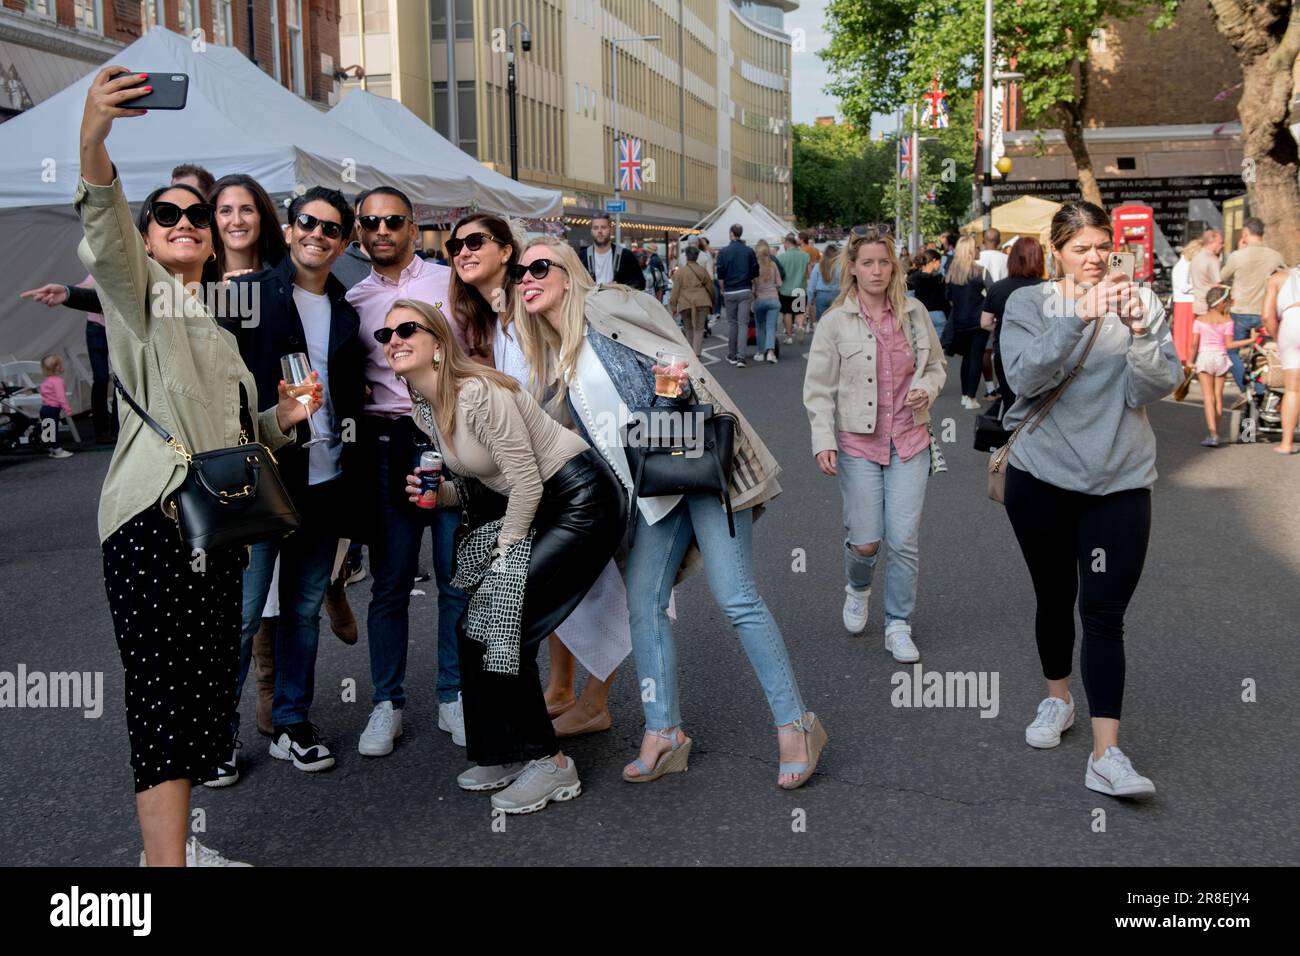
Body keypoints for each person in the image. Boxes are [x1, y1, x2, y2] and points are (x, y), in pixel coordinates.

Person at [78, 66, 320, 865]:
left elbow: (232, 436)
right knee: (159, 698)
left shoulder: (220, 332)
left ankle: (169, 854)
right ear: (148, 238)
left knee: (200, 698)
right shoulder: (137, 297)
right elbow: (105, 224)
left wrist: (278, 421)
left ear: (215, 243)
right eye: (167, 216)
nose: (184, 222)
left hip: (216, 530)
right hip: (151, 523)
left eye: (196, 218)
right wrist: (94, 135)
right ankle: (166, 869)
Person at [514, 238, 828, 790]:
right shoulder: (552, 357)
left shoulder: (610, 312)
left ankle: (797, 724)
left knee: (737, 598)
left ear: (569, 275)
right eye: (521, 273)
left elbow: (672, 361)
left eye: (541, 267)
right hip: (651, 497)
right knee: (644, 607)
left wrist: (668, 393)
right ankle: (664, 733)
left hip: (699, 471)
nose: (528, 278)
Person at [382, 298, 626, 813]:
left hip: (580, 500)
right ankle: (508, 750)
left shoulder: (479, 391)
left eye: (407, 329)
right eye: (386, 335)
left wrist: (503, 558)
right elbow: (479, 480)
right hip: (539, 501)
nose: (394, 340)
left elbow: (525, 480)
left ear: (438, 344)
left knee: (499, 618)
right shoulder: (426, 408)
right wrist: (439, 497)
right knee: (473, 627)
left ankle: (551, 764)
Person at [999, 200, 1182, 799]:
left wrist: (1140, 333)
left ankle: (1108, 754)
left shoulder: (1142, 300)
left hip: (1120, 481)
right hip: (1042, 477)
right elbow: (1025, 379)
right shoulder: (1030, 303)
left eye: (1103, 246)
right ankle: (1058, 700)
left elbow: (1153, 386)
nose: (1096, 258)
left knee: (1104, 615)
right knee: (1055, 598)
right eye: (1082, 248)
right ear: (1057, 252)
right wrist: (1078, 316)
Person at [213, 186, 365, 784]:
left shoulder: (346, 307)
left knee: (302, 611)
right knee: (242, 615)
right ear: (290, 225)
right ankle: (214, 736)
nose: (316, 235)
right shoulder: (245, 294)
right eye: (307, 222)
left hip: (325, 482)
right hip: (259, 479)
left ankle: (291, 723)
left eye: (331, 229)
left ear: (343, 242)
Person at [346, 186, 469, 755]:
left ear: (412, 224)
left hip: (449, 429)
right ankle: (386, 704)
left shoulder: (448, 280)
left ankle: (453, 694)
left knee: (454, 576)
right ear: (359, 230)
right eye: (370, 221)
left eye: (392, 220)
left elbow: (482, 345)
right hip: (386, 443)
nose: (382, 229)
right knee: (391, 581)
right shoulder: (354, 298)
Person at [804, 229, 947, 661]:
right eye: (867, 262)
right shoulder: (835, 322)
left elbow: (937, 367)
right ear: (852, 267)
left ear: (894, 266)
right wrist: (822, 439)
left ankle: (898, 623)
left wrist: (927, 386)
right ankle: (858, 585)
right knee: (865, 540)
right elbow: (818, 388)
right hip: (857, 442)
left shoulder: (915, 313)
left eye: (884, 262)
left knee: (903, 538)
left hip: (909, 439)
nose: (877, 270)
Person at [980, 237, 1047, 418]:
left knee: (1010, 402)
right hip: (1042, 353)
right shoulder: (1049, 287)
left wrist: (1004, 329)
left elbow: (985, 322)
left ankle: (1010, 440)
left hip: (1005, 352)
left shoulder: (998, 288)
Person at [1221, 217, 1286, 400]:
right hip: (1263, 311)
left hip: (1240, 310)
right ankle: (1260, 389)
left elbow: (1223, 276)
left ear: (1245, 234)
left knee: (1231, 351)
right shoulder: (1274, 256)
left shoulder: (1238, 256)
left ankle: (1245, 388)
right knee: (1263, 353)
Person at [1188, 285, 1252, 448]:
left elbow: (1194, 344)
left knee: (1208, 398)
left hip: (1205, 358)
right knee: (1218, 397)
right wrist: (1250, 340)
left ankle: (1213, 434)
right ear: (1222, 302)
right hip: (1221, 358)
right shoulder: (1227, 321)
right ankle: (1216, 431)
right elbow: (1230, 344)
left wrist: (1190, 361)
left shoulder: (1199, 320)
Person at [209, 173, 288, 278]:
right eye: (226, 211)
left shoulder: (288, 276)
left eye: (247, 210)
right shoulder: (196, 278)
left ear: (262, 216)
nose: (237, 221)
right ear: (214, 218)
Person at [945, 234, 988, 409]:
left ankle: (965, 395)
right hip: (978, 320)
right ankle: (971, 397)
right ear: (971, 250)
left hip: (959, 321)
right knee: (975, 357)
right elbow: (992, 292)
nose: (978, 249)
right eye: (976, 247)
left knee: (966, 358)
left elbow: (948, 297)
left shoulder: (951, 272)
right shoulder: (980, 271)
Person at [1261, 267, 1300, 454]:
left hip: (1291, 323)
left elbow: (1267, 316)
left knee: (1292, 389)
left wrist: (1277, 338)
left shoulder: (1278, 277)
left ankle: (1287, 443)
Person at [716, 223, 759, 367]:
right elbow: (755, 272)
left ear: (731, 234)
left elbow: (720, 273)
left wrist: (722, 289)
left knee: (732, 323)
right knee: (743, 324)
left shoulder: (723, 252)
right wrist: (754, 288)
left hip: (729, 290)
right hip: (745, 289)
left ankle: (732, 354)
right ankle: (741, 357)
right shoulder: (748, 251)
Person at [668, 244, 715, 356]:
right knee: (699, 328)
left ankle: (690, 354)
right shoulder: (702, 270)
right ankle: (697, 353)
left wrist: (673, 306)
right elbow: (710, 288)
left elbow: (675, 291)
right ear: (697, 256)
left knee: (688, 328)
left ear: (686, 256)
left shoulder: (680, 272)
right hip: (702, 301)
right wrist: (712, 302)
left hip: (685, 303)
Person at [578, 213, 645, 290]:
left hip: (618, 301)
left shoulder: (626, 255)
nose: (599, 231)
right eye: (596, 228)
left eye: (603, 227)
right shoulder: (582, 257)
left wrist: (619, 286)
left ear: (611, 229)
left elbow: (640, 283)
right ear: (591, 231)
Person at [751, 239, 783, 364]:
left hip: (759, 299)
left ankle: (760, 352)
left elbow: (753, 286)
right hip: (773, 300)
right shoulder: (773, 265)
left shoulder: (754, 267)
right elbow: (779, 283)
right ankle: (770, 352)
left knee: (760, 326)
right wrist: (773, 286)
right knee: (770, 327)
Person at [906, 249, 947, 342]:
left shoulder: (913, 278)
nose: (940, 265)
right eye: (939, 262)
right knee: (938, 351)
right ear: (933, 261)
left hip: (919, 314)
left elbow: (908, 297)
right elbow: (944, 298)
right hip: (937, 314)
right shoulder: (939, 279)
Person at [38, 354, 74, 459]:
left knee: (48, 430)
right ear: (57, 367)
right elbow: (61, 397)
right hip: (52, 409)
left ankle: (51, 449)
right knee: (53, 430)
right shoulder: (58, 381)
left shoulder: (46, 381)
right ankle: (58, 450)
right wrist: (67, 409)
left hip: (44, 408)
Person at [777, 233, 811, 344]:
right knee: (799, 311)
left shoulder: (781, 257)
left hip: (785, 289)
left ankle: (789, 336)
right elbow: (809, 273)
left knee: (787, 312)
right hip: (800, 288)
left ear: (787, 243)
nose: (784, 247)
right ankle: (800, 326)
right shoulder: (805, 255)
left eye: (784, 245)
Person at [1170, 240, 1200, 363]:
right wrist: (1198, 287)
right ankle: (1184, 358)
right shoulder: (1183, 266)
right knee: (1185, 333)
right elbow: (1183, 286)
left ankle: (1186, 357)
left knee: (1188, 333)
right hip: (1185, 302)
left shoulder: (1186, 265)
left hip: (1187, 302)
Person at [1189, 229, 1223, 330]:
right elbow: (1218, 285)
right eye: (1220, 243)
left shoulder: (1195, 257)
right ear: (1212, 243)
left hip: (1197, 305)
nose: (1222, 246)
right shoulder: (1212, 259)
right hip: (1210, 308)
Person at [809, 242, 841, 326]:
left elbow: (811, 285)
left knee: (822, 322)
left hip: (821, 295)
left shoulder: (818, 266)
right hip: (836, 295)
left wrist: (810, 299)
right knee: (836, 321)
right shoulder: (840, 266)